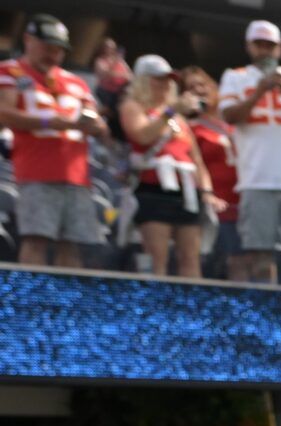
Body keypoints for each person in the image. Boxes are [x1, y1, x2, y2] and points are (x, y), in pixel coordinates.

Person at [216, 21, 281, 287]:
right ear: (249, 46)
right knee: (260, 250)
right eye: (259, 44)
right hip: (257, 177)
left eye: (270, 45)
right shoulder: (235, 76)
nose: (265, 51)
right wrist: (259, 91)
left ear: (280, 49)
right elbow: (229, 115)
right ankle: (268, 305)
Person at [0, 15, 109, 269]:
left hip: (77, 176)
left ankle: (70, 304)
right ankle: (30, 302)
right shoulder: (9, 72)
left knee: (72, 245)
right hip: (37, 172)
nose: (54, 54)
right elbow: (4, 113)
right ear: (28, 40)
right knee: (36, 240)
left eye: (59, 50)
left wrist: (96, 125)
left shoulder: (76, 82)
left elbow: (99, 123)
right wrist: (53, 122)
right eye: (48, 47)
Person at [120, 55, 220, 278]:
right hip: (154, 190)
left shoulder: (178, 119)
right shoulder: (134, 107)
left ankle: (191, 307)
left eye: (169, 80)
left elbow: (197, 160)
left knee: (190, 258)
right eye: (159, 79)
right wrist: (170, 111)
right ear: (144, 81)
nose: (166, 85)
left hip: (185, 192)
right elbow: (143, 135)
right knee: (157, 258)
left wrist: (206, 191)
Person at [180, 66, 242, 281]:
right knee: (218, 264)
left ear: (215, 88)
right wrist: (206, 194)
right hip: (214, 206)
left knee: (241, 261)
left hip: (241, 202)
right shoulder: (189, 128)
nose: (199, 89)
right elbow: (193, 165)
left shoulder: (235, 124)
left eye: (202, 84)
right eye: (191, 87)